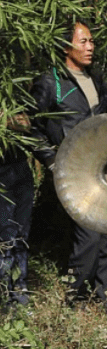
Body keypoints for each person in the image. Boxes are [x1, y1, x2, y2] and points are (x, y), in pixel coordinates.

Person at [28, 18, 107, 306]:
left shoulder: (97, 81)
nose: (90, 47)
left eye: (92, 41)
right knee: (89, 235)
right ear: (66, 46)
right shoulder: (51, 82)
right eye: (83, 41)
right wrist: (51, 160)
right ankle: (77, 297)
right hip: (75, 172)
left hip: (105, 168)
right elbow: (32, 126)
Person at [0, 113, 33, 309]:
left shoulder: (16, 90)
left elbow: (28, 124)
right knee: (5, 238)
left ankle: (20, 293)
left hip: (19, 167)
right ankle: (4, 296)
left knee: (21, 235)